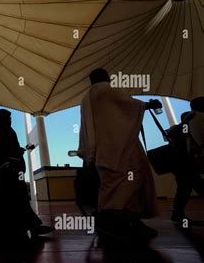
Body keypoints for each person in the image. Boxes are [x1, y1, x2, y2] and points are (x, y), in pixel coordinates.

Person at [78, 68, 159, 241]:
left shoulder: (86, 98)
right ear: (106, 77)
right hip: (120, 148)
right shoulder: (108, 90)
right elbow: (129, 106)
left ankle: (119, 221)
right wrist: (147, 105)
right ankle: (117, 217)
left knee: (109, 185)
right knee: (134, 178)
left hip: (102, 151)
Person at [0, 109, 54, 244]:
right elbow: (5, 153)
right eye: (8, 118)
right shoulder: (3, 130)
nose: (10, 120)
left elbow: (2, 152)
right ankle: (30, 227)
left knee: (6, 203)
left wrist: (17, 152)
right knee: (18, 200)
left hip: (7, 175)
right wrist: (16, 154)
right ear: (3, 119)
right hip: (8, 175)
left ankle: (12, 229)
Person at [167, 110, 204, 224]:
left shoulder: (184, 130)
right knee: (193, 187)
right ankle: (177, 214)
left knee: (184, 189)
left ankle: (177, 214)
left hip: (181, 165)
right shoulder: (181, 129)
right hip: (184, 165)